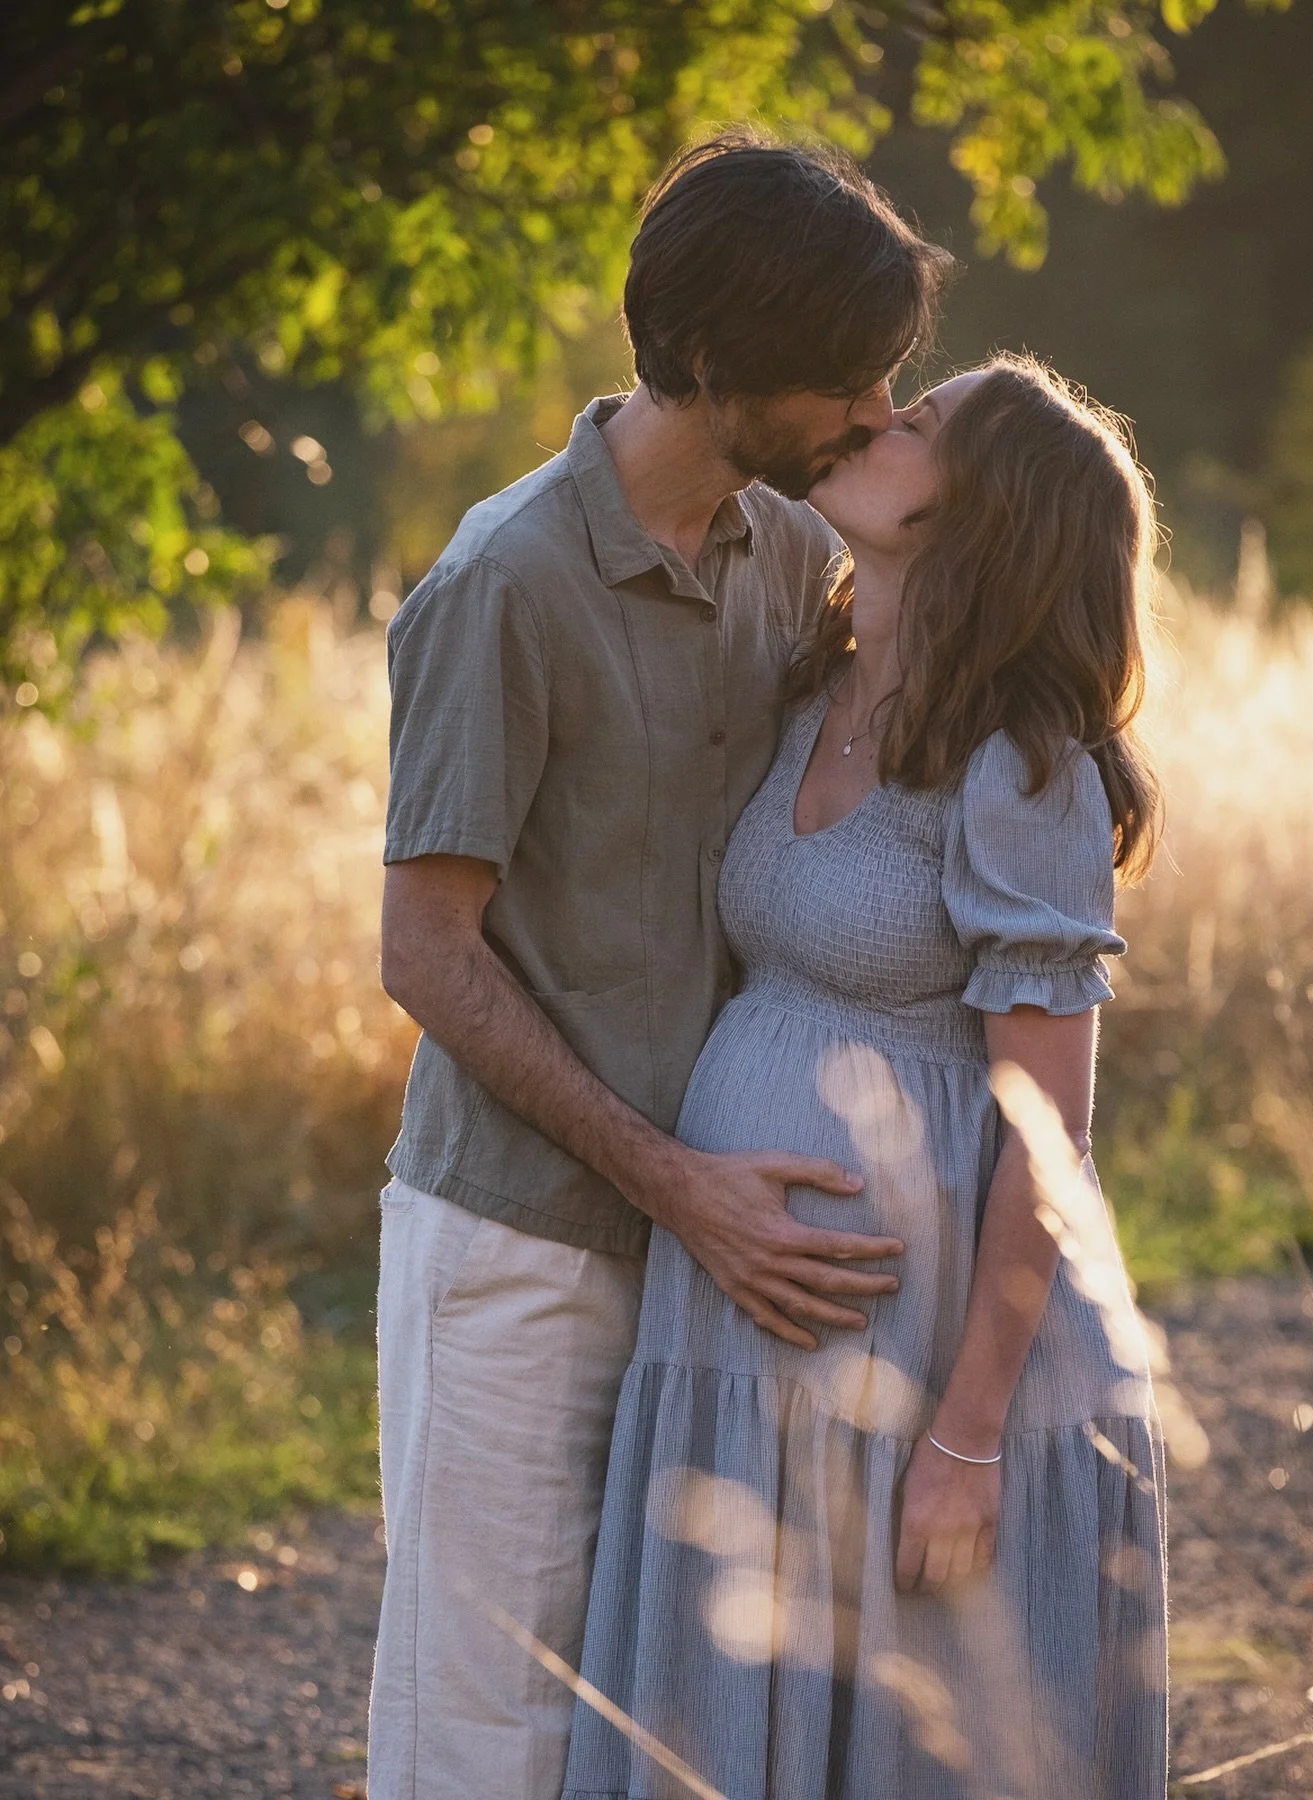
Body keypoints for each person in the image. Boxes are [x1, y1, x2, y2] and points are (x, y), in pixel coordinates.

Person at [368, 132, 952, 1800]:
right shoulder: (503, 583)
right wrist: (677, 1184)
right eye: (844, 376)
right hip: (524, 1250)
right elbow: (425, 955)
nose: (874, 411)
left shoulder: (788, 552)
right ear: (707, 359)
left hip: (720, 1262)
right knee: (488, 1733)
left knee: (657, 1724)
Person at [562, 353, 1169, 1800]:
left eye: (921, 422)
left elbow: (1051, 1137)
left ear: (983, 513)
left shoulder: (1021, 765)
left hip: (928, 1378)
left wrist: (968, 1441)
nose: (876, 419)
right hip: (742, 1349)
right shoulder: (810, 694)